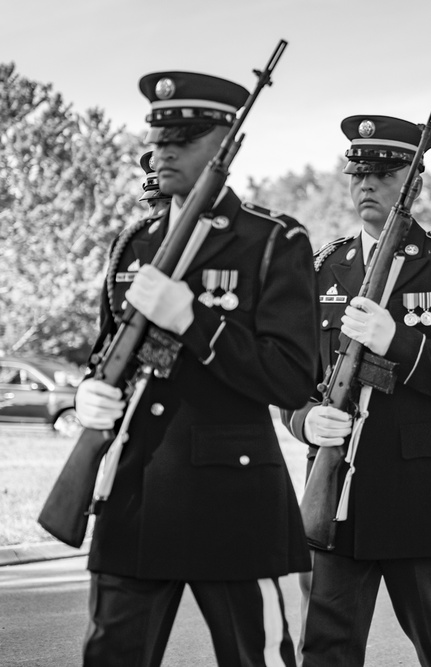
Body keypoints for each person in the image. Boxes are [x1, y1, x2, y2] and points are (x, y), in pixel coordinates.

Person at [73, 71, 318, 667]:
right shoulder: (136, 241)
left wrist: (196, 323)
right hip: (137, 489)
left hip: (233, 501)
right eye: (160, 140)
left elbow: (290, 378)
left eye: (185, 139)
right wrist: (91, 392)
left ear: (226, 144)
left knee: (253, 655)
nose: (166, 152)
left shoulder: (271, 242)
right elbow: (108, 348)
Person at [282, 114, 431, 667]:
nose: (367, 185)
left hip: (422, 493)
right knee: (325, 649)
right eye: (358, 174)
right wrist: (304, 420)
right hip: (337, 495)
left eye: (383, 174)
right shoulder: (326, 266)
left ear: (415, 185)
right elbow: (291, 377)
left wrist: (398, 341)